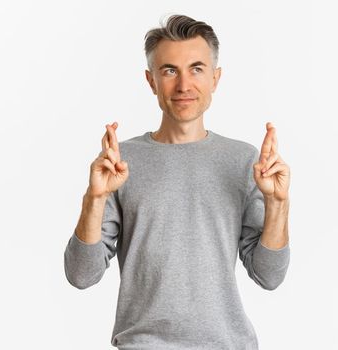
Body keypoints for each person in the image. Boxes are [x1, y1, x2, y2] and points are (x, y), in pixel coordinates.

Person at [63, 14, 291, 349]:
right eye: (169, 70)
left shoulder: (245, 161)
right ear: (151, 80)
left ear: (215, 79)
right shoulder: (120, 163)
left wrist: (277, 204)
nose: (184, 85)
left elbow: (269, 276)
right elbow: (81, 275)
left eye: (196, 69)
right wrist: (94, 199)